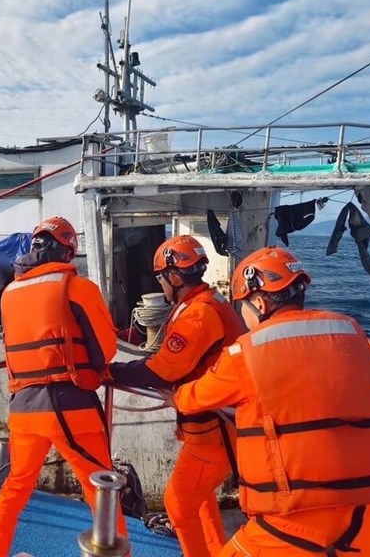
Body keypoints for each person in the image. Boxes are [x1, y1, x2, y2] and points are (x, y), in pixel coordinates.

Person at [173, 246, 370, 556]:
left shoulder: (246, 353)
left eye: (242, 307)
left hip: (294, 519)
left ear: (259, 302)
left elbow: (193, 399)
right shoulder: (357, 339)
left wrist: (177, 392)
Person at [0, 216, 127, 557]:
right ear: (68, 252)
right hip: (72, 406)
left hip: (23, 409)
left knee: (14, 487)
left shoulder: (9, 293)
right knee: (101, 490)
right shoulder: (77, 287)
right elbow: (106, 349)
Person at [109, 235, 244, 557]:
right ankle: (213, 550)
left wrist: (110, 372)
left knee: (179, 505)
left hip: (214, 430)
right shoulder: (207, 303)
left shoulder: (198, 314)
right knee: (200, 499)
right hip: (215, 425)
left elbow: (164, 370)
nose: (161, 284)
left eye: (161, 277)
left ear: (172, 276)